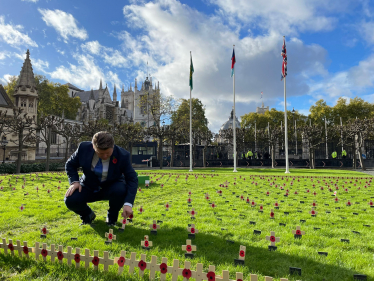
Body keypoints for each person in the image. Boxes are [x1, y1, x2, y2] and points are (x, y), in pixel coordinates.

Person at [64, 131, 138, 226]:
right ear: (93, 147)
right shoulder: (83, 148)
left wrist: (128, 204)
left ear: (113, 147)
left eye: (108, 153)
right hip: (88, 186)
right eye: (100, 153)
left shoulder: (123, 155)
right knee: (70, 199)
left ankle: (111, 218)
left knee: (121, 189)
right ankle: (87, 215)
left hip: (111, 187)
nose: (104, 156)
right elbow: (70, 164)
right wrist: (74, 182)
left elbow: (132, 179)